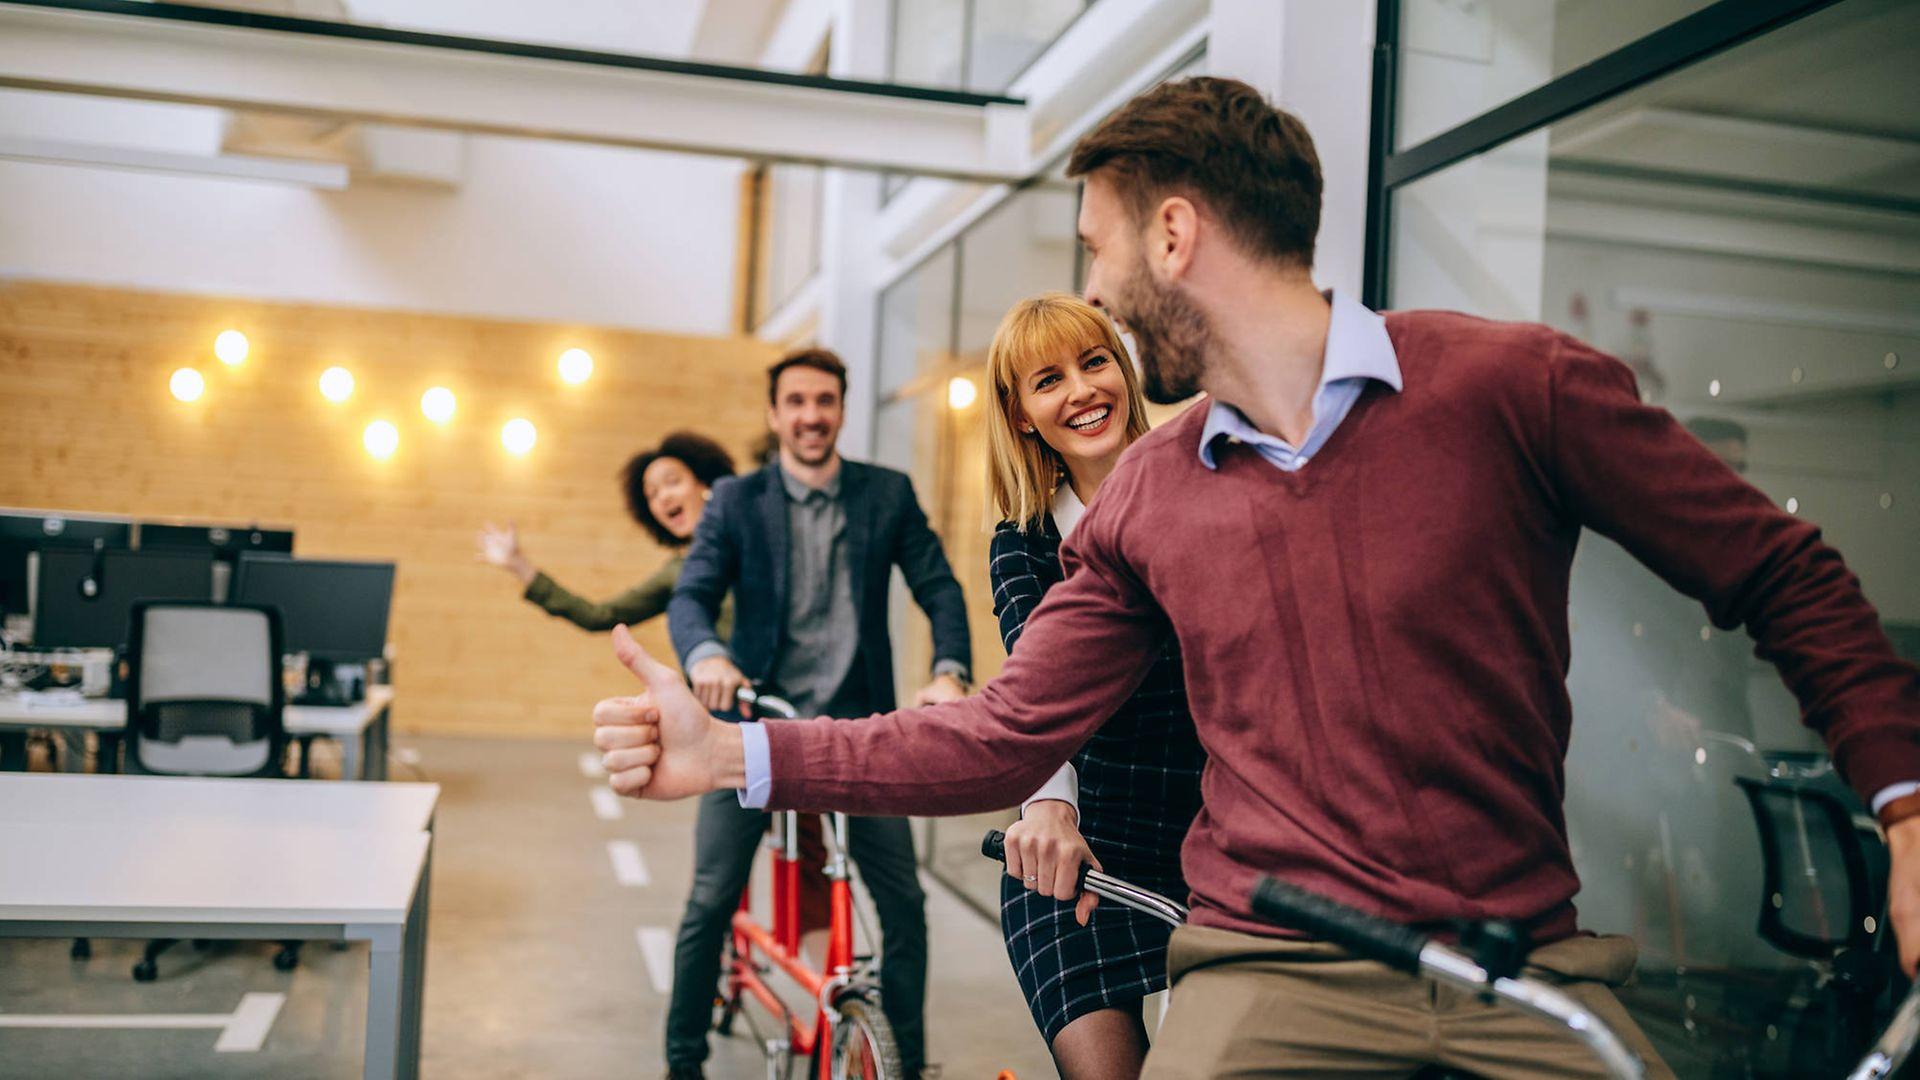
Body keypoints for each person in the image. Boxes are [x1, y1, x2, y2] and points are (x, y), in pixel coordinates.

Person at [596, 77, 1920, 1078]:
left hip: (1522, 969)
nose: (1096, 286)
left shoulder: (1513, 387)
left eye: (1097, 248)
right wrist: (733, 757)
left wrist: (1907, 811)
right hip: (1265, 973)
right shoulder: (1147, 503)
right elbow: (1005, 735)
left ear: (1173, 234)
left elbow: (1780, 569)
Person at [657, 348, 972, 1080]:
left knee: (904, 904)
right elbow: (691, 595)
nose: (810, 415)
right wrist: (706, 655)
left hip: (859, 735)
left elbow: (939, 587)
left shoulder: (886, 495)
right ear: (775, 414)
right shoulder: (736, 501)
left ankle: (904, 1065)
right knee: (710, 898)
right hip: (753, 728)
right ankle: (683, 1062)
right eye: (796, 401)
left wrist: (949, 671)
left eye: (824, 401)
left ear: (841, 410)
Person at [984, 293, 1205, 1079]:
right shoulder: (1025, 542)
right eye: (1049, 380)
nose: (1081, 391)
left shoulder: (1204, 483)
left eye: (1094, 362)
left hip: (1219, 832)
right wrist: (1048, 808)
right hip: (1085, 842)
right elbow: (1036, 688)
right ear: (1021, 415)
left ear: (1124, 371)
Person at [477, 431, 736, 635]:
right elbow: (599, 615)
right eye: (652, 494)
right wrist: (520, 566)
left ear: (704, 483)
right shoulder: (676, 572)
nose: (664, 497)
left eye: (673, 482)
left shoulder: (750, 539)